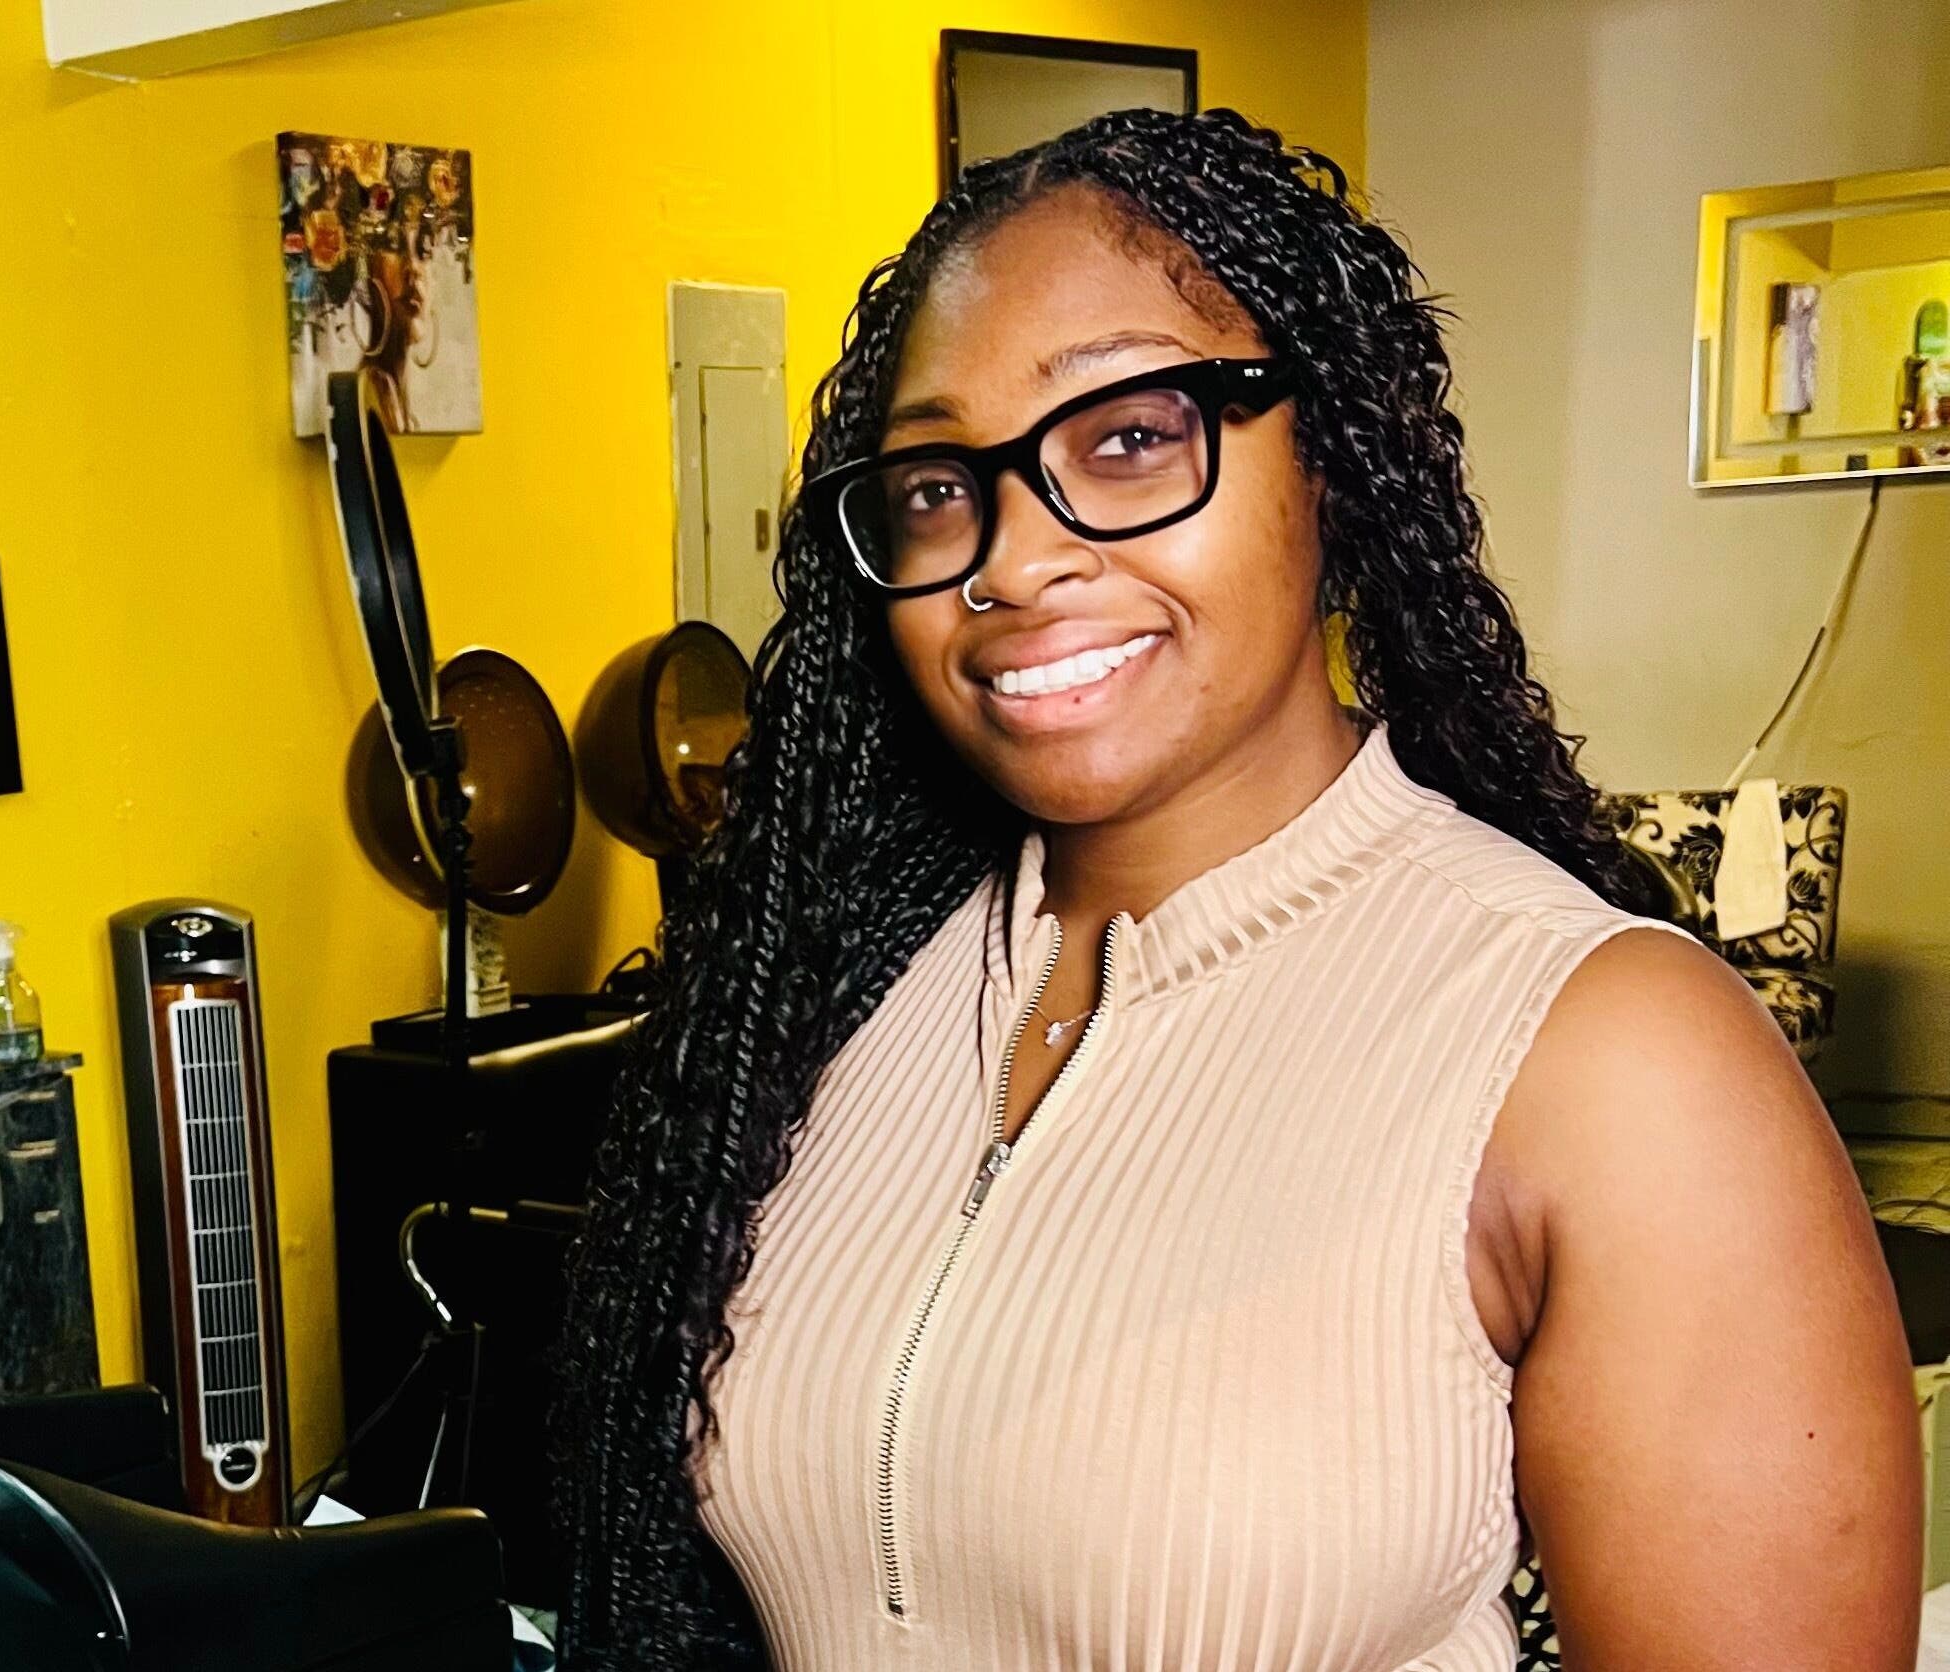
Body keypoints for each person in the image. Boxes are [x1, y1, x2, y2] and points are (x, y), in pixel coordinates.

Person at [550, 109, 1918, 1672]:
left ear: (1330, 459)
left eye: (1129, 436)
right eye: (941, 485)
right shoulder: (844, 989)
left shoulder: (1615, 1061)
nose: (1014, 561)